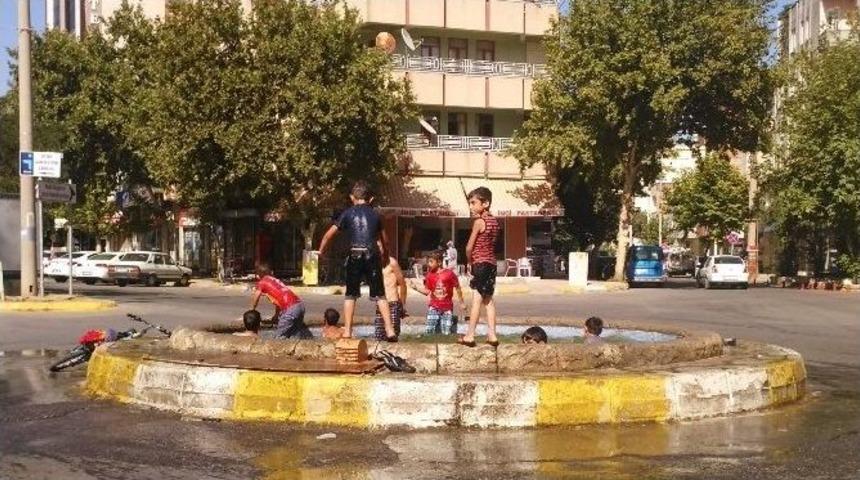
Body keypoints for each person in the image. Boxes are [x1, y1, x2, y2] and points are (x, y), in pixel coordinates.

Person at [318, 181, 397, 341]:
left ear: (352, 197)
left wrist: (321, 251)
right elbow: (386, 240)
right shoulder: (376, 215)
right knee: (380, 295)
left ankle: (347, 331)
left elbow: (328, 235)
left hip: (355, 254)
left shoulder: (347, 213)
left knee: (350, 295)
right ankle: (390, 330)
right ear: (371, 199)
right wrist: (386, 255)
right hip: (372, 253)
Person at [459, 187, 500, 347]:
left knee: (476, 299)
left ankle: (470, 335)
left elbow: (469, 247)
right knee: (488, 300)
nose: (471, 206)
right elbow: (493, 244)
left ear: (486, 203)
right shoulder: (495, 222)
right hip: (492, 264)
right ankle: (492, 334)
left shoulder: (479, 222)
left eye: (473, 203)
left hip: (480, 263)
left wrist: (469, 261)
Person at [250, 263, 312, 339]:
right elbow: (279, 300)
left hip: (290, 308)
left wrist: (252, 310)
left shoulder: (262, 282)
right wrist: (276, 315)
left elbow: (256, 296)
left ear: (259, 275)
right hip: (300, 306)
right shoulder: (275, 280)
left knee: (279, 338)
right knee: (295, 335)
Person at [411, 250, 465, 335]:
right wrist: (416, 288)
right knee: (429, 329)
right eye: (428, 262)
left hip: (447, 307)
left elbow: (458, 287)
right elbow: (427, 291)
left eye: (431, 262)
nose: (429, 264)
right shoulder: (429, 275)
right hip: (434, 306)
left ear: (439, 262)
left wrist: (462, 302)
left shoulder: (449, 274)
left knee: (446, 331)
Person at [374, 256, 407, 340]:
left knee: (392, 335)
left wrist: (402, 305)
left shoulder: (392, 262)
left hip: (392, 302)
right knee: (379, 336)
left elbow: (402, 284)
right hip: (380, 303)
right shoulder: (373, 262)